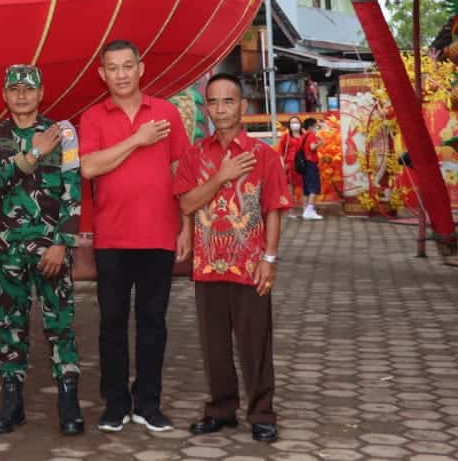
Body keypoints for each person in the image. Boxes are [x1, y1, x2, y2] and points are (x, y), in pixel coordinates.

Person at [78, 40, 192, 433]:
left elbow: (182, 171)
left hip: (159, 235)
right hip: (112, 238)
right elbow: (90, 167)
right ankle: (115, 404)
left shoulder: (166, 113)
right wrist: (137, 140)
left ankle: (148, 403)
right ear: (102, 74)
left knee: (153, 322)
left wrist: (187, 226)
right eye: (113, 68)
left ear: (141, 68)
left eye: (128, 66)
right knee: (111, 323)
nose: (122, 74)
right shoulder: (93, 117)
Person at [174, 73, 290, 443]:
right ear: (205, 108)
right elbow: (187, 203)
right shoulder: (195, 155)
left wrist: (269, 257)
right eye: (213, 102)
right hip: (208, 264)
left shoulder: (264, 156)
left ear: (243, 106)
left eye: (228, 101)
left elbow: (274, 208)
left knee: (255, 342)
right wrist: (221, 177)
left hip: (250, 264)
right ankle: (221, 409)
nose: (220, 109)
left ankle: (261, 413)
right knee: (214, 344)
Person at [0, 64, 84, 436]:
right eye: (14, 89)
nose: (22, 95)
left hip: (51, 250)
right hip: (8, 252)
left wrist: (61, 243)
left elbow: (73, 190)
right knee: (11, 328)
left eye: (29, 89)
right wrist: (34, 153)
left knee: (60, 326)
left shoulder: (63, 132)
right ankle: (12, 405)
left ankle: (69, 404)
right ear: (5, 95)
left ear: (41, 94)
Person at [277, 117, 306, 214]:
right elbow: (280, 151)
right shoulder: (286, 136)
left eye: (296, 122)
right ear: (289, 125)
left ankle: (305, 208)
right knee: (290, 187)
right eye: (292, 122)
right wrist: (281, 164)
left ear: (300, 123)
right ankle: (291, 209)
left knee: (304, 186)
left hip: (302, 164)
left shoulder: (304, 136)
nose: (295, 124)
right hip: (289, 164)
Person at [300, 117, 323, 219]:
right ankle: (310, 210)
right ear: (310, 127)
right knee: (314, 187)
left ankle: (305, 210)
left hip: (304, 164)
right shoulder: (311, 135)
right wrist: (320, 143)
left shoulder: (303, 136)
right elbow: (312, 147)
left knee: (306, 188)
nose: (316, 128)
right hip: (311, 164)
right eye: (315, 126)